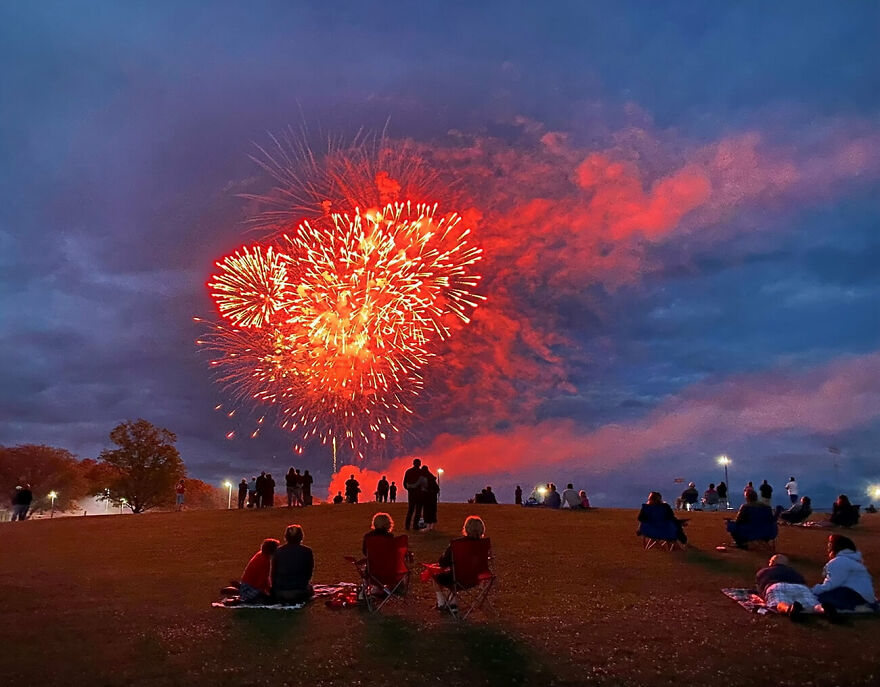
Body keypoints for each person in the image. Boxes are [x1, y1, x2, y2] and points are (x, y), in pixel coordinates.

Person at [431, 516, 488, 611]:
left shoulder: (457, 544)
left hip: (458, 579)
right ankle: (452, 604)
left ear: (466, 528)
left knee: (436, 575)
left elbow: (442, 562)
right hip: (476, 579)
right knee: (454, 574)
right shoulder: (483, 545)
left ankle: (441, 603)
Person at [812, 535, 877, 613]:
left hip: (852, 594)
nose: (828, 548)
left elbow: (832, 584)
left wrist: (814, 590)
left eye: (830, 545)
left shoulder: (839, 562)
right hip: (866, 598)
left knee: (818, 598)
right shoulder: (855, 562)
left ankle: (827, 608)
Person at [755, 554, 822, 619]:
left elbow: (760, 588)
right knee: (812, 604)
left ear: (772, 562)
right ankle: (822, 609)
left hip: (776, 586)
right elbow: (803, 582)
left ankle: (789, 609)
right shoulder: (795, 572)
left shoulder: (763, 571)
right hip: (799, 587)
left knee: (780, 603)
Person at [271, 524, 314, 604]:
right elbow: (309, 572)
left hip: (280, 592)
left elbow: (273, 573)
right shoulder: (307, 551)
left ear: (286, 536)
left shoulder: (278, 551)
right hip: (299, 591)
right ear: (301, 536)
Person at [230, 538, 279, 603]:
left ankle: (240, 590)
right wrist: (269, 592)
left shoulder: (260, 555)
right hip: (251, 589)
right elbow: (262, 581)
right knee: (269, 600)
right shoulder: (265, 561)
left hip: (246, 586)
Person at [403, 459, 424, 530]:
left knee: (410, 510)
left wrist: (409, 489)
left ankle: (407, 526)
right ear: (419, 464)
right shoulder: (421, 473)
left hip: (411, 494)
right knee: (418, 511)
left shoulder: (408, 472)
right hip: (420, 495)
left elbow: (405, 483)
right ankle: (415, 526)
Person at [421, 466, 440, 531]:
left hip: (427, 498)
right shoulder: (431, 478)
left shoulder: (425, 478)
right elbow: (437, 489)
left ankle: (428, 527)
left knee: (427, 512)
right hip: (433, 498)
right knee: (432, 512)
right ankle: (431, 526)